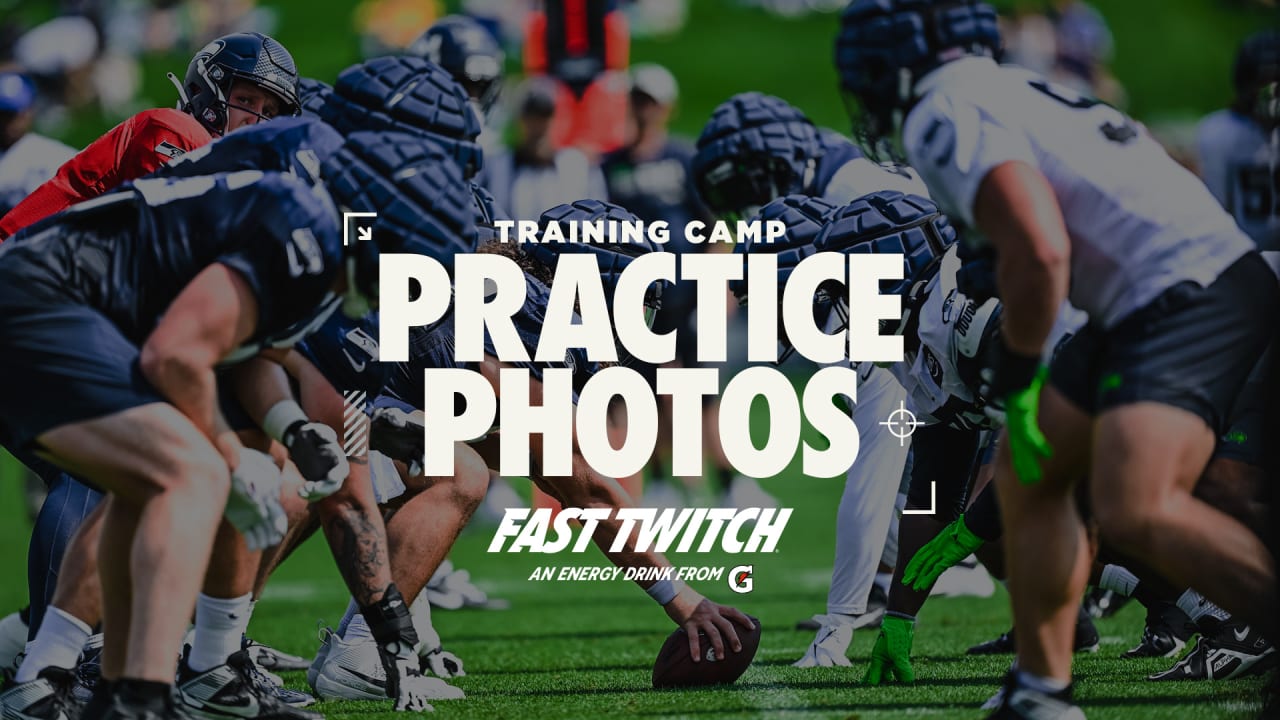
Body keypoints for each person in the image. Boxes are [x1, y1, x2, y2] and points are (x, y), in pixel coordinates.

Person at [837, 2, 1279, 717]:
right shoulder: (999, 91)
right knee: (1028, 479)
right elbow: (934, 469)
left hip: (1178, 288)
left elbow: (1039, 249)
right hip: (1144, 292)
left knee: (1134, 502)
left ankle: (1203, 615)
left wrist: (1017, 384)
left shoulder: (940, 116)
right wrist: (904, 607)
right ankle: (1042, 690)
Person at [0, 31, 300, 240]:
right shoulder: (176, 130)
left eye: (270, 113)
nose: (257, 120)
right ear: (204, 91)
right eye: (246, 101)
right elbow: (177, 237)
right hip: (27, 271)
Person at [0, 70, 74, 215]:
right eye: (2, 114)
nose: (8, 122)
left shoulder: (55, 156)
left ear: (29, 112)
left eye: (14, 114)